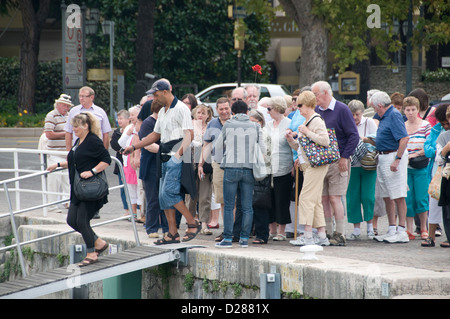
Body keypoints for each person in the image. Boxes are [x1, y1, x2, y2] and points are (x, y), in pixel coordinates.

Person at [122, 79, 200, 244]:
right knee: (162, 197)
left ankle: (192, 223)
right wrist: (135, 146)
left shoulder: (181, 109)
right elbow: (155, 135)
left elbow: (189, 134)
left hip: (176, 154)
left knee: (168, 193)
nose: (154, 99)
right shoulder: (163, 111)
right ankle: (172, 233)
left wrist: (177, 156)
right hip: (164, 154)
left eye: (156, 95)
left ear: (165, 92)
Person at [47, 112, 110, 266]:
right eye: (73, 126)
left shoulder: (93, 141)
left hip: (89, 189)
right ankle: (99, 243)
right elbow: (75, 161)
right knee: (71, 220)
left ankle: (91, 253)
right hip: (77, 188)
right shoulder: (79, 141)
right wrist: (58, 165)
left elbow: (106, 159)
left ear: (86, 126)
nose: (74, 129)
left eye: (77, 126)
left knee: (82, 221)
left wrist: (92, 171)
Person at [312, 81, 359, 246]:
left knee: (335, 197)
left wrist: (345, 157)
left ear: (325, 93)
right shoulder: (316, 110)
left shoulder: (342, 109)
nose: (313, 97)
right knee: (323, 198)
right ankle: (327, 232)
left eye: (315, 93)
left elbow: (354, 135)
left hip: (339, 160)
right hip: (322, 161)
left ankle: (340, 233)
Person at [214, 100, 266, 248]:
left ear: (233, 112)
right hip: (248, 169)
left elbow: (218, 146)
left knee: (229, 206)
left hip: (231, 167)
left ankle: (228, 239)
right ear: (247, 111)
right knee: (247, 206)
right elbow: (263, 149)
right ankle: (244, 239)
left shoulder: (228, 125)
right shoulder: (256, 126)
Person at [286, 91, 331, 246]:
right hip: (309, 164)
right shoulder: (308, 120)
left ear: (308, 105)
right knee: (315, 200)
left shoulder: (316, 121)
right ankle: (321, 235)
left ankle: (307, 235)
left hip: (315, 165)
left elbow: (325, 141)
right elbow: (303, 146)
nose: (298, 108)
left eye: (300, 105)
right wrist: (292, 141)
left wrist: (307, 132)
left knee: (306, 198)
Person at [370, 91, 410, 243]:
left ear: (380, 106)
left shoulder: (393, 114)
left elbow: (404, 138)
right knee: (386, 195)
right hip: (383, 156)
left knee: (398, 195)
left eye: (374, 107)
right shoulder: (384, 116)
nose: (374, 110)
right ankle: (392, 228)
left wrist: (397, 159)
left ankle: (401, 230)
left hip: (392, 156)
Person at [198, 97, 232, 235]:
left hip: (235, 165)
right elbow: (207, 145)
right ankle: (227, 231)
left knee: (234, 200)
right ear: (217, 110)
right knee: (221, 198)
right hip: (218, 165)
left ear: (230, 108)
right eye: (221, 109)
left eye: (226, 108)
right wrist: (201, 164)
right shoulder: (212, 124)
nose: (224, 111)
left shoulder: (236, 122)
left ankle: (234, 229)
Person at [346, 100, 378, 240]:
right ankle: (356, 229)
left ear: (362, 113)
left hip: (368, 164)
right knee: (352, 197)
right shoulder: (347, 123)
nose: (354, 118)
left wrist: (363, 139)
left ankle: (370, 227)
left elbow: (376, 141)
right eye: (352, 114)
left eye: (357, 114)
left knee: (368, 196)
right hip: (352, 165)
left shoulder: (369, 123)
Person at [139, 99, 168, 239]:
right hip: (150, 167)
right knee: (153, 198)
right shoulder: (148, 123)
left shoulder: (165, 123)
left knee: (165, 197)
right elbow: (147, 144)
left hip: (164, 166)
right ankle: (152, 228)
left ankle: (167, 228)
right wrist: (166, 151)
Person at [422, 103, 449, 247]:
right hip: (438, 170)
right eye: (442, 123)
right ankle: (431, 235)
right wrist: (440, 151)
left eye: (446, 123)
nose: (444, 125)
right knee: (434, 202)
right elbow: (427, 149)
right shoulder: (436, 130)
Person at [403, 96, 431, 240]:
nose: (411, 112)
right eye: (408, 110)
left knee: (421, 198)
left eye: (413, 109)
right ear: (404, 111)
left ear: (418, 109)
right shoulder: (402, 125)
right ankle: (409, 229)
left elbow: (428, 145)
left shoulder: (425, 125)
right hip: (406, 168)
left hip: (420, 166)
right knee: (408, 198)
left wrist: (415, 154)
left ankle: (424, 228)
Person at [266, 96, 293, 241]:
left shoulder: (289, 124)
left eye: (269, 109)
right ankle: (272, 229)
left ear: (276, 108)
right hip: (269, 169)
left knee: (282, 200)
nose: (268, 111)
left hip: (284, 167)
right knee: (269, 200)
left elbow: (293, 147)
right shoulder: (268, 125)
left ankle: (281, 231)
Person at [44, 93, 73, 213]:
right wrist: (66, 134)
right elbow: (48, 133)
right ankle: (52, 205)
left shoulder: (69, 116)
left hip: (65, 152)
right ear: (59, 105)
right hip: (55, 152)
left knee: (67, 178)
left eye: (68, 106)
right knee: (54, 179)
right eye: (65, 106)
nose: (67, 108)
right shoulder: (51, 115)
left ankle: (67, 201)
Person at [187, 104, 214, 235]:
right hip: (191, 159)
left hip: (206, 162)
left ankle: (204, 223)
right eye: (199, 112)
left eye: (204, 113)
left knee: (205, 194)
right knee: (191, 195)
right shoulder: (190, 125)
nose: (201, 115)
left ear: (208, 115)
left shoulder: (210, 127)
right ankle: (191, 222)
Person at [249, 109, 272, 244]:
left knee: (260, 204)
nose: (251, 125)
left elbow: (262, 154)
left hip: (262, 172)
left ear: (261, 122)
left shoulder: (262, 134)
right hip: (256, 171)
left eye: (254, 122)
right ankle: (257, 233)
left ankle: (262, 235)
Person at [65, 86, 112, 151]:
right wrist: (69, 151)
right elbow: (68, 132)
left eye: (84, 96)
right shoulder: (73, 111)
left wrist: (104, 151)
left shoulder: (100, 112)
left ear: (91, 97)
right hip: (78, 148)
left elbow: (105, 133)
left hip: (95, 149)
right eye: (80, 96)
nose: (81, 98)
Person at [118, 106, 141, 220]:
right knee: (131, 188)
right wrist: (128, 133)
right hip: (127, 162)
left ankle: (142, 212)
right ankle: (133, 212)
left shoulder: (142, 126)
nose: (131, 117)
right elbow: (120, 143)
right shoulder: (129, 128)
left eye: (133, 115)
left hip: (138, 162)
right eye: (130, 115)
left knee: (140, 188)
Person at [434, 105, 450, 248]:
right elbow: (438, 159)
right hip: (448, 175)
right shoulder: (443, 136)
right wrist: (445, 150)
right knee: (448, 209)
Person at [110, 109, 131, 216]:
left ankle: (134, 208)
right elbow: (114, 144)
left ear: (128, 119)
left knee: (132, 186)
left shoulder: (132, 130)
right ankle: (126, 209)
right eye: (118, 119)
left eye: (121, 118)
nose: (119, 121)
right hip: (121, 162)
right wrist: (122, 150)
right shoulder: (117, 132)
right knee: (122, 187)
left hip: (130, 162)